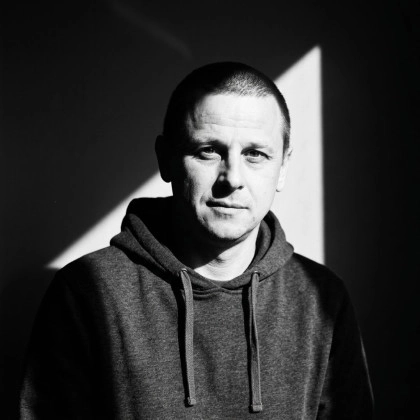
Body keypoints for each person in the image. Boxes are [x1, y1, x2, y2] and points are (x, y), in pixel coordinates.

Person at [19, 62, 373, 419]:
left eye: (255, 154)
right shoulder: (88, 291)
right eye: (208, 150)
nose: (232, 178)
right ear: (166, 159)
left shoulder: (322, 299)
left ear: (282, 167)